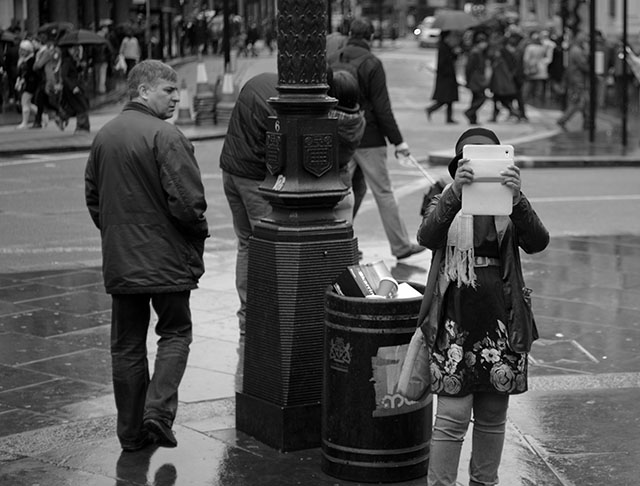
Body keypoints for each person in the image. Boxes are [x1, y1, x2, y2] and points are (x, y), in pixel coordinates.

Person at [84, 59, 209, 452]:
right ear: (142, 92)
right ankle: (157, 411)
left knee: (126, 346)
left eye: (176, 91)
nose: (176, 97)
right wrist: (195, 236)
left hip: (123, 262)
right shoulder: (165, 136)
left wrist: (118, 235)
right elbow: (189, 204)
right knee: (175, 332)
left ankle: (130, 434)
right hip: (168, 258)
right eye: (168, 90)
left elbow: (94, 198)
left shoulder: (105, 136)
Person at [416, 127, 549, 486]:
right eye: (470, 160)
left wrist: (518, 198)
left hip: (501, 317)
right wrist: (456, 193)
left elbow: (538, 241)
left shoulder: (510, 200)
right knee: (452, 415)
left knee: (493, 412)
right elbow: (427, 236)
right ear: (459, 164)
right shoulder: (443, 196)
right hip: (454, 319)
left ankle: (484, 482)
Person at [328, 17, 425, 260]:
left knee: (342, 192)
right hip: (368, 136)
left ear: (350, 34)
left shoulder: (333, 60)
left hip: (339, 134)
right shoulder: (372, 63)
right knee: (383, 192)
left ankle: (336, 242)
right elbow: (382, 107)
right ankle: (401, 246)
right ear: (370, 37)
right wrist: (398, 141)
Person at [219, 72, 278, 335]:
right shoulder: (283, 100)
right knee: (266, 247)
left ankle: (246, 316)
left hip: (231, 170)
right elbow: (278, 148)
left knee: (245, 244)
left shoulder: (259, 80)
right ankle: (263, 318)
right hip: (253, 178)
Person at [328, 69, 366, 223]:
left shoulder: (326, 122)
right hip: (345, 188)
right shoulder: (360, 121)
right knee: (342, 245)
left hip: (323, 191)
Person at [557, 32, 590, 131]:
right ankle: (563, 119)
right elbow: (583, 65)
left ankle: (587, 120)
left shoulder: (573, 50)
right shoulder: (577, 51)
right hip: (577, 79)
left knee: (584, 101)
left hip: (576, 79)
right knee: (577, 101)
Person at [426, 30, 460, 124]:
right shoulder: (443, 47)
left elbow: (452, 58)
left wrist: (455, 53)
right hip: (445, 77)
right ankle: (431, 109)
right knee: (445, 98)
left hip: (449, 76)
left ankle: (449, 118)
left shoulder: (447, 46)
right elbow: (443, 63)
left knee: (450, 99)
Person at [59, 46, 90, 133]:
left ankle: (63, 117)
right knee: (81, 106)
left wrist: (79, 65)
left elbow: (77, 72)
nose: (76, 51)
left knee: (77, 106)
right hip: (71, 88)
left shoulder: (74, 61)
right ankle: (82, 127)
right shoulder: (67, 62)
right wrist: (72, 87)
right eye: (73, 49)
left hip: (77, 86)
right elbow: (64, 76)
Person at [463, 32, 489, 125]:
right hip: (476, 79)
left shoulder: (478, 52)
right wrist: (467, 79)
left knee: (475, 98)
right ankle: (470, 112)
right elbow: (469, 67)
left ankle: (472, 119)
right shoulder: (475, 52)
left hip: (476, 79)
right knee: (481, 97)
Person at [14, 39, 39, 129]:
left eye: (23, 50)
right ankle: (42, 115)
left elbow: (30, 72)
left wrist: (23, 79)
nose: (21, 52)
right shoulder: (22, 60)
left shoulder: (31, 60)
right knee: (27, 102)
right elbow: (20, 72)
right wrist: (19, 80)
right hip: (24, 83)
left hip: (30, 83)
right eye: (21, 50)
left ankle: (25, 122)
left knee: (25, 101)